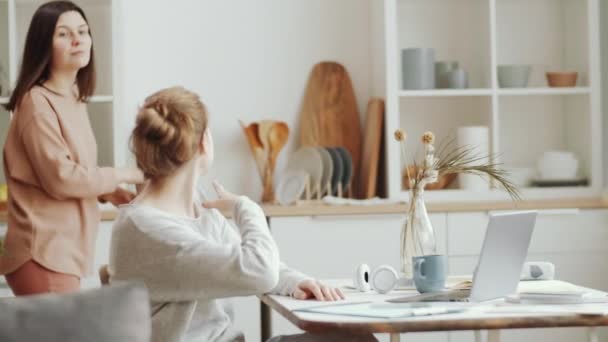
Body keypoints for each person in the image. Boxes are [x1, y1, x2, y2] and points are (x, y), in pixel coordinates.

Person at [108, 87, 377, 342]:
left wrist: (297, 282)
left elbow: (243, 258)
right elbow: (259, 269)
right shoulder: (146, 228)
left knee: (356, 338)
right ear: (204, 143)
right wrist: (247, 208)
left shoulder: (196, 204)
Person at [0, 0, 143, 295]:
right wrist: (125, 174)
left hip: (61, 254)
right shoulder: (37, 103)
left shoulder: (72, 96)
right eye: (63, 34)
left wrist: (106, 191)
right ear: (44, 45)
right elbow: (61, 179)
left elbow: (70, 170)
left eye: (82, 31)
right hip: (43, 254)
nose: (78, 39)